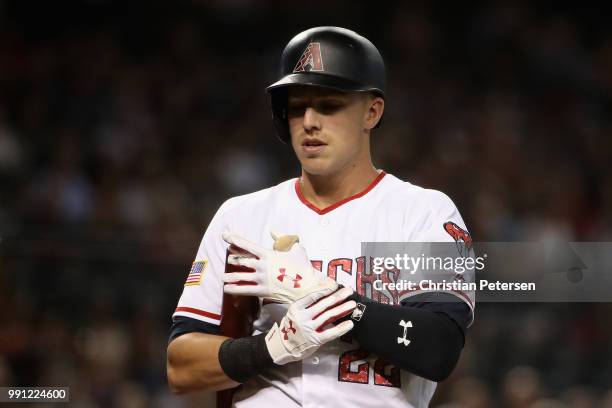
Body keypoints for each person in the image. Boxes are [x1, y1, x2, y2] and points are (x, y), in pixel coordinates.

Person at [167, 26, 475, 408]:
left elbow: (438, 349)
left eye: (329, 105)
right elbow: (181, 367)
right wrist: (271, 348)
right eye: (297, 107)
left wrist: (321, 296)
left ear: (372, 111)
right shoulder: (242, 217)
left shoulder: (421, 212)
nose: (310, 121)